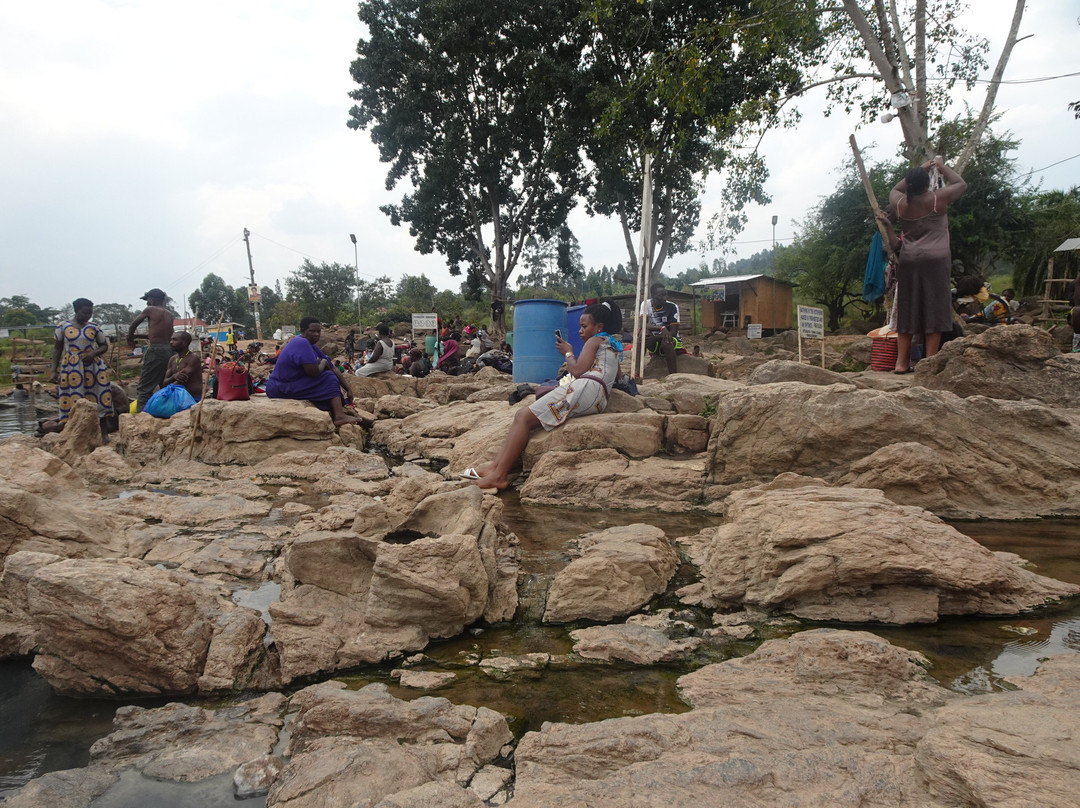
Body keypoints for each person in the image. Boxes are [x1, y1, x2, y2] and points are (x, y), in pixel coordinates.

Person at [464, 300, 623, 490]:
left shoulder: (594, 340)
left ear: (599, 327)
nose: (580, 331)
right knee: (523, 417)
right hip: (598, 397)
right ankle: (495, 466)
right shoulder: (613, 345)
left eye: (584, 326)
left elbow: (578, 370)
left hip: (586, 388)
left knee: (522, 417)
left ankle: (499, 475)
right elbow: (619, 377)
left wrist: (568, 353)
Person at [886, 155, 967, 373]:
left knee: (907, 309)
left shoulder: (901, 204)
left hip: (910, 260)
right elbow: (961, 184)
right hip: (937, 261)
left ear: (909, 185)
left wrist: (920, 168)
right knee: (936, 309)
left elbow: (895, 188)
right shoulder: (937, 199)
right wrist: (940, 166)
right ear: (927, 183)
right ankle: (929, 361)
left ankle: (901, 363)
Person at [265, 318, 357, 426]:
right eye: (312, 331)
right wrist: (323, 362)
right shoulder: (301, 342)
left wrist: (348, 389)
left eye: (318, 331)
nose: (316, 334)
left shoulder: (311, 345)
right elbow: (314, 373)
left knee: (329, 375)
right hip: (280, 387)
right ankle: (339, 416)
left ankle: (336, 411)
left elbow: (333, 367)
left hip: (290, 384)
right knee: (328, 377)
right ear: (303, 331)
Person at [50, 298, 114, 440]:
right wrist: (54, 370)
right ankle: (73, 433)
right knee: (73, 397)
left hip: (94, 367)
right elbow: (57, 349)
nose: (88, 316)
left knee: (100, 395)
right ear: (76, 311)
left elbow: (104, 345)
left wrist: (93, 353)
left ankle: (103, 432)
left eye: (90, 313)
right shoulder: (63, 327)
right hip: (72, 368)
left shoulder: (94, 327)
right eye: (85, 313)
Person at [127, 288, 174, 411]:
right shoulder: (169, 314)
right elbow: (160, 334)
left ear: (152, 299)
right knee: (165, 383)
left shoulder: (150, 309)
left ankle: (141, 415)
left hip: (156, 351)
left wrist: (130, 338)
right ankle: (166, 410)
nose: (147, 303)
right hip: (169, 350)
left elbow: (133, 325)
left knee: (145, 387)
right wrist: (138, 336)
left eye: (147, 300)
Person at [640, 282, 681, 375]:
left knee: (667, 341)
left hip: (671, 340)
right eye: (661, 295)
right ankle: (637, 372)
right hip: (654, 341)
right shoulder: (645, 304)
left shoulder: (672, 307)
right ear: (653, 295)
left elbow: (673, 332)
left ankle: (673, 375)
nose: (665, 298)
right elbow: (642, 324)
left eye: (666, 294)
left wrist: (657, 337)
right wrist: (661, 328)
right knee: (641, 336)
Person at [162, 331, 203, 401]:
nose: (171, 342)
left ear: (185, 343)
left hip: (192, 397)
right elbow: (165, 382)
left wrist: (166, 391)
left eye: (174, 340)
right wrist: (173, 376)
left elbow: (181, 380)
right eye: (171, 339)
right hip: (176, 396)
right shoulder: (172, 359)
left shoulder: (193, 358)